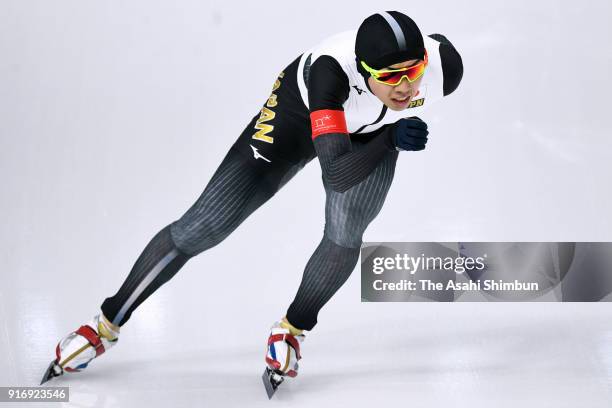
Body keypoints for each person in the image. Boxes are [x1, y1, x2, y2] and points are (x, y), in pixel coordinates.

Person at [42, 10, 463, 384]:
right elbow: (336, 174)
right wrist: (390, 137)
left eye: (415, 70)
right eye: (390, 76)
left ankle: (292, 330)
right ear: (365, 68)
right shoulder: (330, 75)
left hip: (370, 136)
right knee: (201, 227)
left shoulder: (444, 69)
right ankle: (105, 325)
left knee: (345, 235)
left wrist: (384, 134)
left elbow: (426, 64)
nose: (406, 87)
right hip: (296, 121)